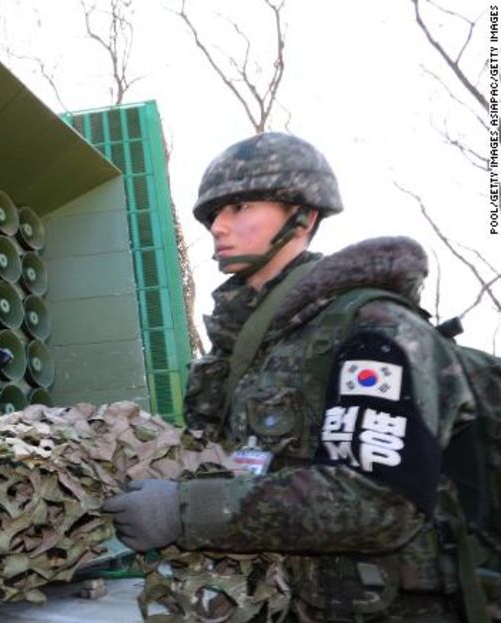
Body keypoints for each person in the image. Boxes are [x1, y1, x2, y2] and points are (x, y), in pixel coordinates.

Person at [103, 133, 479, 620]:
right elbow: (246, 465)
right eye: (212, 214)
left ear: (304, 218)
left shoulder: (373, 329)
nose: (218, 226)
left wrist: (185, 510)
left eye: (239, 207)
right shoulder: (251, 346)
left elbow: (377, 499)